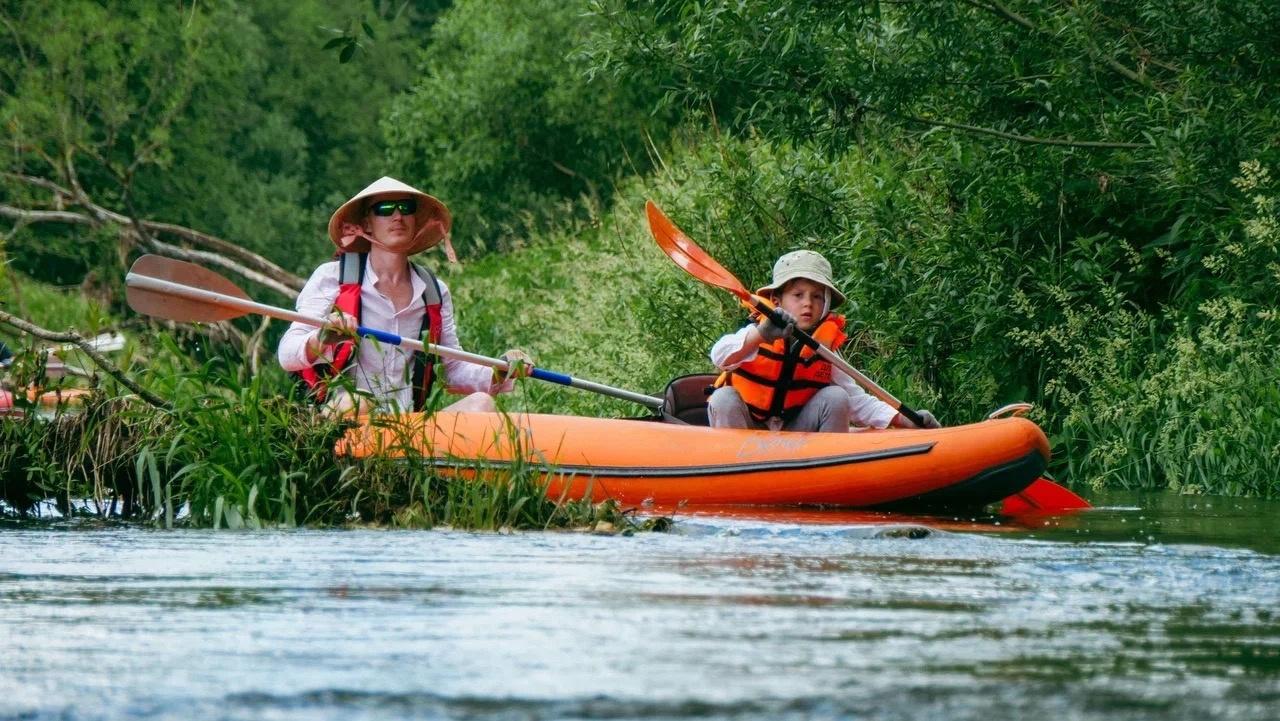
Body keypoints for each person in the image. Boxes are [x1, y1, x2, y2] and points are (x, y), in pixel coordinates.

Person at [278, 176, 531, 414]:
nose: (397, 215)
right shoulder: (332, 277)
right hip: (345, 419)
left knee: (482, 403)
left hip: (406, 428)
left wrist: (501, 370)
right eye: (385, 208)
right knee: (359, 401)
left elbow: (453, 369)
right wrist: (322, 337)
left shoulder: (434, 291)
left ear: (415, 221)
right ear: (366, 224)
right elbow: (287, 354)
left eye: (406, 207)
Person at [707, 250, 940, 432]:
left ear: (826, 305)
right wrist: (760, 335)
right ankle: (736, 478)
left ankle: (827, 473)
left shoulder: (823, 348)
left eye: (817, 296)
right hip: (747, 432)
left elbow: (856, 401)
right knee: (723, 398)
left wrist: (902, 419)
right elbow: (719, 356)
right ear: (776, 301)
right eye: (798, 295)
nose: (808, 303)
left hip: (795, 435)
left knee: (837, 397)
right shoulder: (757, 334)